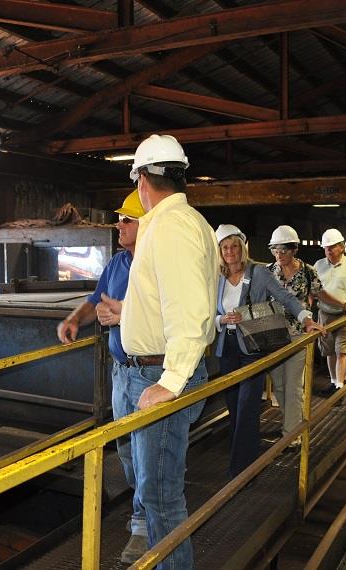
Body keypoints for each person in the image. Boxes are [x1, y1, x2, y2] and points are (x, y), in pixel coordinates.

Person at [96, 134, 217, 570]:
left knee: (161, 497)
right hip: (148, 369)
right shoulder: (185, 223)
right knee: (154, 490)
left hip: (158, 372)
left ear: (142, 180)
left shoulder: (170, 227)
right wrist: (127, 313)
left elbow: (189, 310)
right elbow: (165, 296)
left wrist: (171, 381)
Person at [55, 189, 148, 563]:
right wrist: (75, 319)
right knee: (126, 447)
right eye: (119, 219)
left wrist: (125, 314)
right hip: (122, 372)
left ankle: (143, 524)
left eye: (127, 219)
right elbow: (96, 301)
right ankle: (144, 505)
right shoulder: (117, 263)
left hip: (150, 371)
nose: (118, 225)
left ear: (147, 224)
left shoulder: (157, 264)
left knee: (145, 451)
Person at [213, 224, 320, 476]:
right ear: (220, 251)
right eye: (225, 248)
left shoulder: (258, 272)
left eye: (234, 246)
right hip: (228, 347)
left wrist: (306, 319)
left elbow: (286, 298)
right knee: (234, 407)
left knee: (247, 406)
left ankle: (242, 468)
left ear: (242, 248)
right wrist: (221, 320)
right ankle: (244, 452)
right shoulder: (216, 277)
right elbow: (209, 310)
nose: (230, 252)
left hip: (252, 347)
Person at [265, 225, 334, 445]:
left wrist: (345, 305)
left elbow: (320, 293)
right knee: (279, 385)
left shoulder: (307, 271)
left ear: (294, 249)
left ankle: (291, 436)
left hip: (298, 335)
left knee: (293, 385)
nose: (279, 255)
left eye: (283, 251)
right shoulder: (267, 271)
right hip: (274, 337)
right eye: (275, 250)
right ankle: (291, 423)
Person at [314, 229, 346, 393]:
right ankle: (334, 382)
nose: (328, 250)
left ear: (342, 247)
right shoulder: (318, 265)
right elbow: (313, 290)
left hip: (345, 316)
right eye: (326, 247)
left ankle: (339, 387)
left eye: (332, 247)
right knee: (330, 351)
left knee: (342, 351)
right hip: (325, 314)